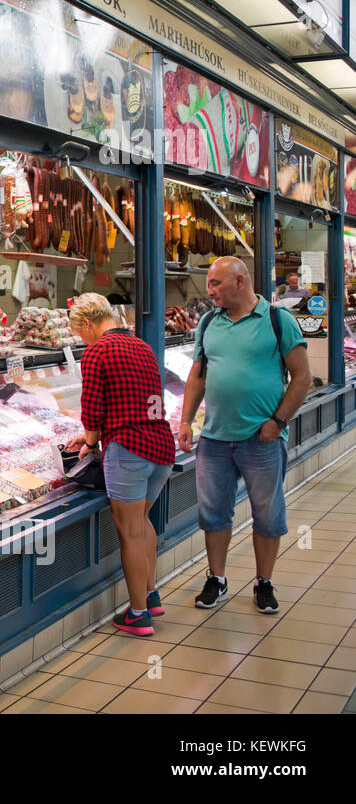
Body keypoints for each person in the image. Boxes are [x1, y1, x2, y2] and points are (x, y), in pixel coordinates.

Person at [178, 256, 311, 614]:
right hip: (215, 439)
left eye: (216, 284)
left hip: (262, 439)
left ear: (240, 281)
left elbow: (302, 377)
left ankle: (264, 582)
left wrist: (278, 422)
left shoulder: (277, 320)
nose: (210, 291)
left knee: (268, 515)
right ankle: (217, 580)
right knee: (213, 514)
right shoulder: (209, 323)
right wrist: (185, 421)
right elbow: (198, 377)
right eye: (209, 284)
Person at [70, 293, 175, 637]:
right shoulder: (141, 346)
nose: (81, 340)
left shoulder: (97, 350)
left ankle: (139, 614)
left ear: (88, 324)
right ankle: (150, 593)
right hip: (160, 444)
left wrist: (88, 443)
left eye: (79, 332)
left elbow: (92, 407)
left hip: (128, 448)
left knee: (128, 532)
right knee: (142, 523)